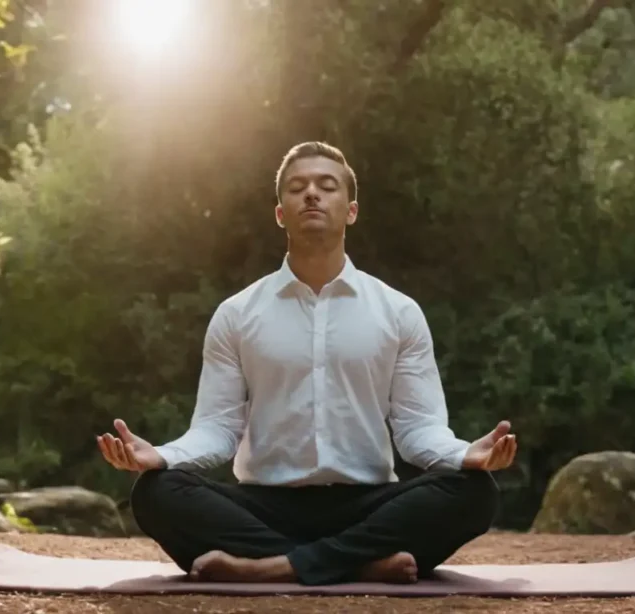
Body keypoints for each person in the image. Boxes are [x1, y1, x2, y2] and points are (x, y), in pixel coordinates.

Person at [97, 141, 518, 586]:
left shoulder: (399, 312)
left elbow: (417, 430)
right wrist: (162, 456)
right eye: (297, 187)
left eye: (327, 186)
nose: (312, 194)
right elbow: (218, 431)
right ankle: (357, 564)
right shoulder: (237, 314)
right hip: (264, 505)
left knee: (473, 491)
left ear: (351, 210)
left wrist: (464, 454)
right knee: (157, 492)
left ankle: (273, 567)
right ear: (281, 213)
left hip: (368, 503)